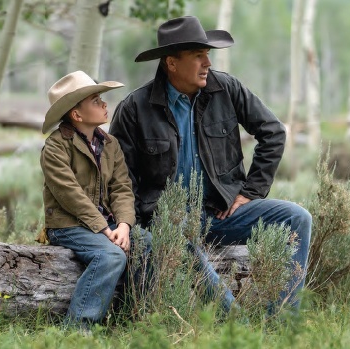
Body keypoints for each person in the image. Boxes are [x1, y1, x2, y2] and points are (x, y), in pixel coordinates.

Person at [109, 16, 312, 315]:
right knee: (186, 245)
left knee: (297, 218)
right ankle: (236, 324)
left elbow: (273, 132)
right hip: (167, 220)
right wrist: (137, 225)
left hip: (222, 212)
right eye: (198, 55)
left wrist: (250, 191)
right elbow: (120, 177)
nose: (207, 62)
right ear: (172, 63)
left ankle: (282, 318)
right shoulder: (134, 108)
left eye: (208, 54)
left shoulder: (226, 88)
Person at [38, 70, 152, 331]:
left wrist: (124, 225)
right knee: (111, 256)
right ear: (76, 115)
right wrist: (104, 229)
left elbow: (122, 188)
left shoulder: (110, 144)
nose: (104, 104)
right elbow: (69, 194)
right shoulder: (56, 147)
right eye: (95, 101)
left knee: (145, 243)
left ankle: (129, 317)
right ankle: (78, 329)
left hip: (108, 226)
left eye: (101, 99)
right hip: (68, 226)